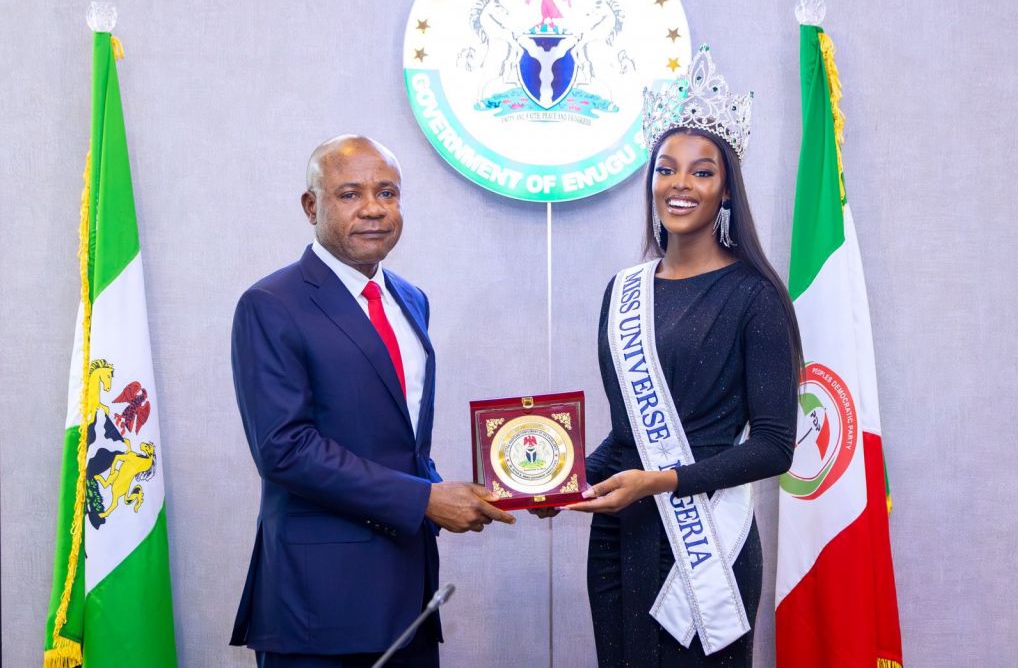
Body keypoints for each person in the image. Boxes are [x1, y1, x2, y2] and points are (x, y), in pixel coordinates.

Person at [535, 46, 802, 666]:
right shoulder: (623, 291)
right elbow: (627, 435)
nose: (679, 184)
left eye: (701, 172)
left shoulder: (755, 297)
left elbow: (773, 446)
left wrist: (664, 482)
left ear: (727, 189)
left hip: (708, 543)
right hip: (621, 535)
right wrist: (554, 480)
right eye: (666, 168)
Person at [229, 135, 515, 667]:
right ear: (311, 206)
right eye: (349, 194)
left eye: (387, 193)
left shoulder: (410, 298)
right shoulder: (271, 304)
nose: (373, 209)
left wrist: (472, 491)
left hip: (409, 593)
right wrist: (424, 501)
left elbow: (394, 438)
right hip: (318, 606)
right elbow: (284, 450)